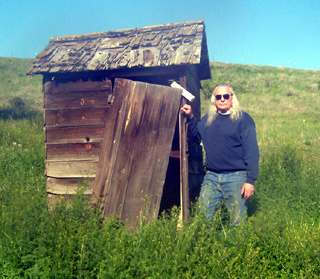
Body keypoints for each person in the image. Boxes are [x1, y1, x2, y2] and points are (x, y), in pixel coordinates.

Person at [181, 83, 259, 226]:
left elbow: (252, 151)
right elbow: (196, 135)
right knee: (203, 217)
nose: (222, 99)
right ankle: (204, 246)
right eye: (218, 97)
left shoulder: (243, 119)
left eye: (225, 96)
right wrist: (191, 116)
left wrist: (250, 180)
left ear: (232, 98)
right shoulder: (209, 119)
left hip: (236, 177)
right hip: (212, 176)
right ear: (214, 100)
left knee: (237, 221)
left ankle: (238, 247)